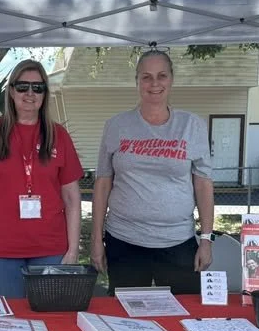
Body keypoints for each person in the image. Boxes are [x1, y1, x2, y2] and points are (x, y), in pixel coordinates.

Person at [90, 49, 215, 295]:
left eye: (162, 76)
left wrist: (206, 239)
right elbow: (103, 183)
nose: (154, 83)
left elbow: (203, 184)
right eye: (146, 77)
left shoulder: (192, 125)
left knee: (182, 320)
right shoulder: (116, 125)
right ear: (137, 81)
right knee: (126, 320)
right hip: (124, 241)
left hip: (178, 243)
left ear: (171, 79)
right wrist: (96, 240)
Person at [0, 59, 83, 298]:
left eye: (38, 87)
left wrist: (72, 250)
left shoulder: (58, 135)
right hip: (3, 249)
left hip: (51, 247)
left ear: (45, 94)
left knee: (51, 321)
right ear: (11, 91)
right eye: (23, 86)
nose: (30, 93)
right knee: (11, 322)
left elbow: (72, 198)